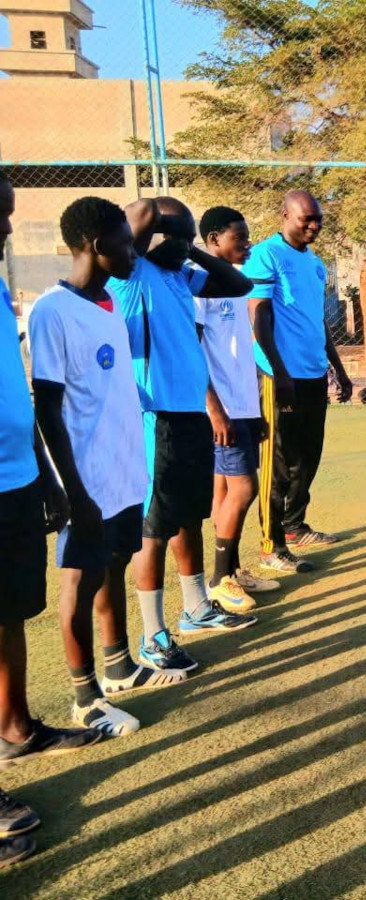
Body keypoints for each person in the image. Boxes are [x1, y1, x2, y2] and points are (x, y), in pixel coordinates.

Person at [31, 196, 193, 741]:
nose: (133, 252)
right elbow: (47, 408)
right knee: (81, 580)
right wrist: (71, 489)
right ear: (98, 245)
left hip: (125, 472)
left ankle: (119, 665)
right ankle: (86, 699)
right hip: (88, 479)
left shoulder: (108, 304)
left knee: (113, 567)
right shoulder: (54, 310)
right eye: (126, 244)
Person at [108, 196, 257, 675]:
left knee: (187, 518)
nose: (185, 244)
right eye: (178, 235)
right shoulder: (131, 274)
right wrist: (163, 228)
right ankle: (153, 636)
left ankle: (195, 608)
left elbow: (239, 283)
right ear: (150, 237)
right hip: (157, 417)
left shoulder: (179, 276)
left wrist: (188, 248)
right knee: (153, 529)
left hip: (190, 415)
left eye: (191, 236)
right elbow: (139, 212)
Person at [0, 179, 102, 870]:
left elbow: (16, 388)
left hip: (14, 477)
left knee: (10, 614)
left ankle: (16, 729)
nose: (8, 230)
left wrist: (40, 471)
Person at [245, 190, 352, 573]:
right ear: (285, 215)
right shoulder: (266, 255)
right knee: (279, 462)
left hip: (313, 374)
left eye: (318, 219)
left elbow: (316, 319)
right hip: (279, 376)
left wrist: (338, 368)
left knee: (308, 456)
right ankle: (271, 546)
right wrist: (278, 371)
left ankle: (294, 526)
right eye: (307, 218)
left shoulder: (316, 263)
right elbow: (258, 315)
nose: (314, 225)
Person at [196, 206, 279, 603]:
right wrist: (215, 410)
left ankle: (231, 571)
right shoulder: (199, 284)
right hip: (223, 410)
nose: (247, 244)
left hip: (243, 405)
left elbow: (239, 352)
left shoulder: (234, 283)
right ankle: (218, 580)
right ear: (213, 240)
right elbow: (193, 353)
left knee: (225, 491)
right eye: (239, 238)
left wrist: (255, 409)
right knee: (244, 490)